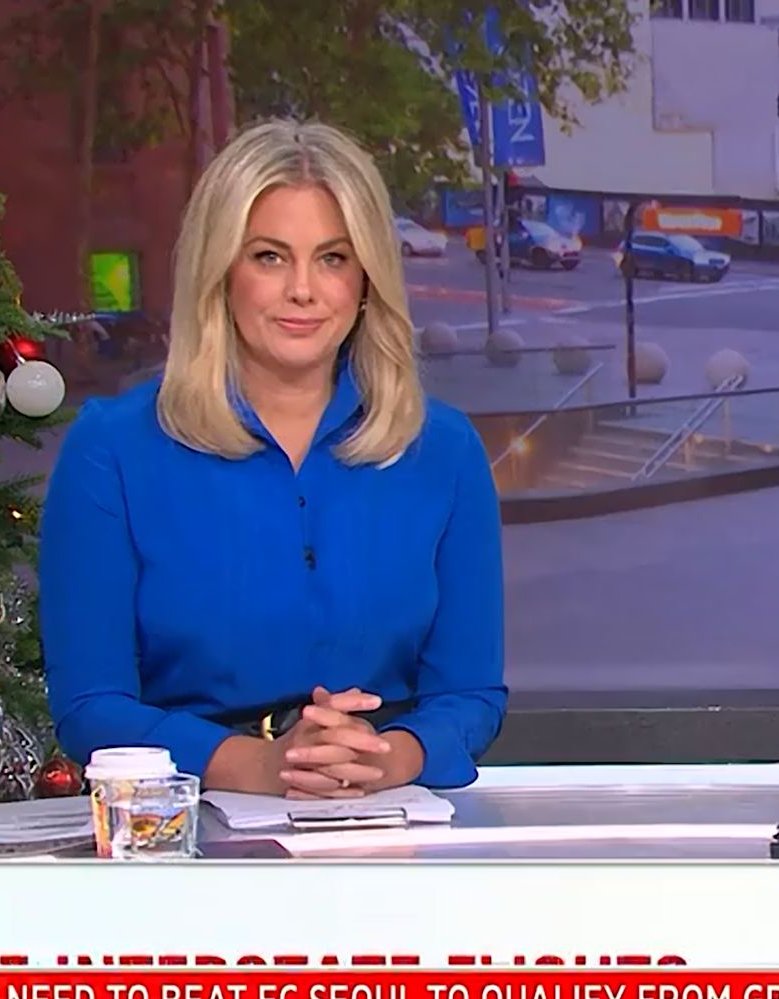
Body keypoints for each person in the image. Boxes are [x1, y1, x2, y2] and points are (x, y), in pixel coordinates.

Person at [40, 120, 505, 797]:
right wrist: (262, 767)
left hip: (386, 812)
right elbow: (90, 707)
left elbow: (471, 696)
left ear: (367, 278)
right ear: (220, 271)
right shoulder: (112, 450)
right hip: (189, 819)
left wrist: (390, 757)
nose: (303, 290)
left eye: (333, 258)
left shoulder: (444, 450)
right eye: (269, 257)